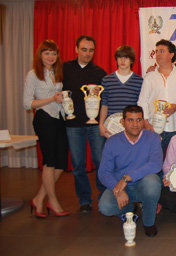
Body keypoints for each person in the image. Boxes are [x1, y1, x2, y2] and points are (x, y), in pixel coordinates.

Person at [98, 105, 163, 237]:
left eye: (139, 120)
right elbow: (103, 172)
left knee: (153, 182)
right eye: (130, 120)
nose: (135, 124)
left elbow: (156, 164)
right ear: (123, 122)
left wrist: (127, 178)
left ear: (144, 121)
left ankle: (148, 222)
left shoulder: (153, 138)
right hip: (121, 186)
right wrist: (118, 190)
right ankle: (129, 211)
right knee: (105, 207)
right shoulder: (112, 142)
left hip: (142, 185)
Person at [23, 40, 69, 218]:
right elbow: (27, 103)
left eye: (53, 53)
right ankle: (53, 201)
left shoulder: (56, 72)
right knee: (49, 162)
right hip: (44, 118)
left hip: (59, 118)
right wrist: (51, 99)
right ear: (40, 55)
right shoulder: (33, 74)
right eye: (47, 53)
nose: (50, 57)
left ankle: (39, 198)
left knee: (61, 163)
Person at [63, 35, 107, 213]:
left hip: (95, 126)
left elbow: (105, 101)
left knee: (100, 162)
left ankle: (104, 195)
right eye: (84, 49)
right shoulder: (64, 68)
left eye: (91, 50)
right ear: (76, 49)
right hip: (73, 126)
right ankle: (84, 201)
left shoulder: (99, 73)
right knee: (78, 165)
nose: (87, 53)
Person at [137, 39, 176, 156]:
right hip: (153, 128)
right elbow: (142, 101)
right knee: (155, 162)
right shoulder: (149, 77)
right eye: (156, 51)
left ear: (171, 54)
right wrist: (146, 123)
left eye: (162, 51)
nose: (158, 54)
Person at [99, 45, 143, 138]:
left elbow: (140, 107)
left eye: (126, 58)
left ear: (131, 60)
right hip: (111, 128)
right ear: (116, 59)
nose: (122, 61)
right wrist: (101, 125)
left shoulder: (139, 81)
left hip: (131, 128)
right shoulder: (107, 80)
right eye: (120, 57)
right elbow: (104, 105)